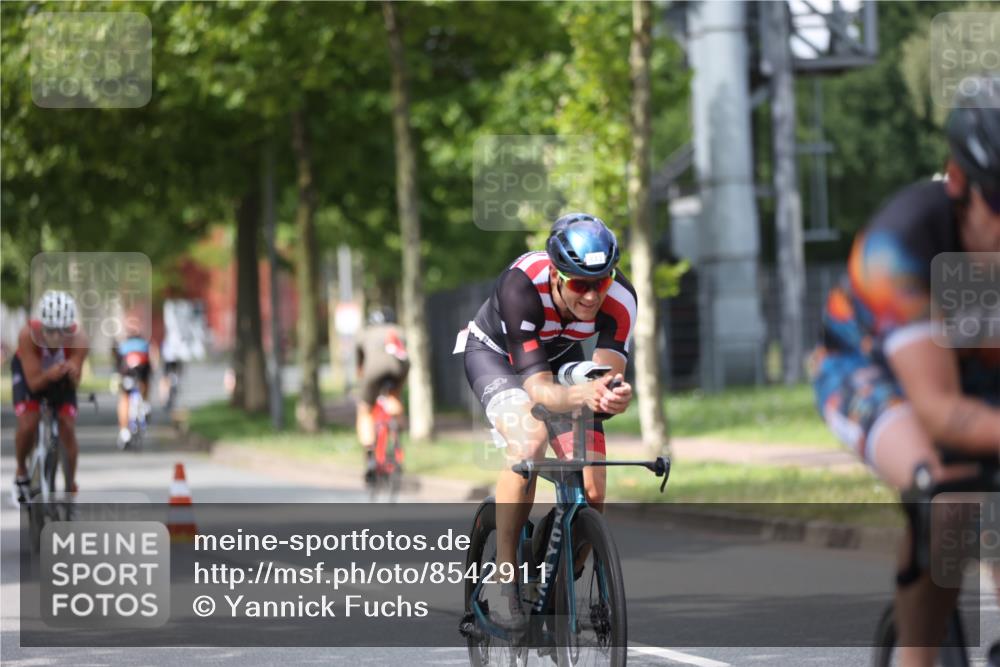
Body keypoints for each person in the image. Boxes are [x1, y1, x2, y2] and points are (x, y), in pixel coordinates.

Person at [811, 77, 1000, 667]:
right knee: (949, 496)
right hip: (867, 367)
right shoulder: (901, 242)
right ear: (961, 182)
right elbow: (943, 413)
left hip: (977, 362)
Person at [458, 212, 636, 629]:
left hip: (558, 359)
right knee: (530, 440)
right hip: (496, 357)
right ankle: (505, 581)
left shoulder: (622, 298)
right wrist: (582, 395)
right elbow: (537, 390)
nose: (592, 296)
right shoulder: (521, 285)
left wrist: (612, 396)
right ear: (556, 275)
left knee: (592, 489)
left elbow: (606, 376)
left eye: (601, 282)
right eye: (579, 284)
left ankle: (555, 579)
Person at [11, 290, 88, 502]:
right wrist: (50, 374)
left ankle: (70, 483)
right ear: (40, 326)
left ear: (70, 328)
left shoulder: (79, 338)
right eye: (50, 330)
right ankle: (21, 470)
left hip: (60, 379)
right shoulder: (27, 335)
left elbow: (76, 381)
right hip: (30, 374)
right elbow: (34, 384)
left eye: (62, 331)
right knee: (28, 422)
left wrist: (72, 370)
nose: (55, 336)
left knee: (67, 425)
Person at [355, 307, 410, 483]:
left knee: (364, 410)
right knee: (394, 396)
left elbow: (360, 364)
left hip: (374, 370)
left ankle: (370, 452)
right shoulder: (399, 331)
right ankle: (398, 423)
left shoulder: (365, 333)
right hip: (399, 370)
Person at [114, 324, 153, 448]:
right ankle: (146, 404)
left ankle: (124, 432)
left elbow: (118, 365)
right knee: (145, 383)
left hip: (127, 374)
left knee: (124, 398)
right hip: (142, 374)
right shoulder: (145, 344)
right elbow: (151, 364)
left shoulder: (123, 346)